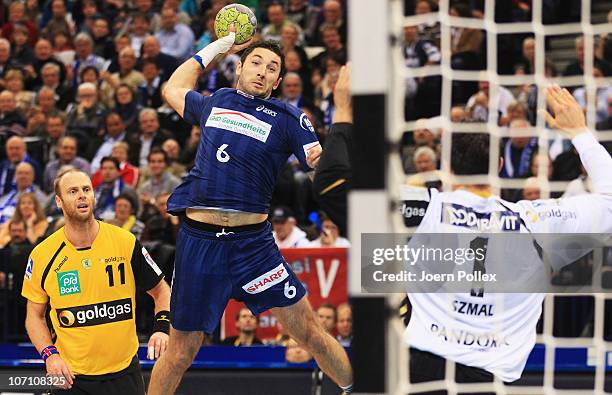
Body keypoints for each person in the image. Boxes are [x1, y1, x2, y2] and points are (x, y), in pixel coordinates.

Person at [147, 28, 353, 395]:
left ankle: (360, 389)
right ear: (239, 68)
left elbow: (320, 164)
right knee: (181, 351)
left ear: (277, 81)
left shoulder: (288, 117)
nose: (262, 70)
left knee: (310, 333)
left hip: (253, 247)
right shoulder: (216, 101)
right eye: (255, 62)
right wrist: (218, 46)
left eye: (272, 67)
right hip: (199, 243)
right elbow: (172, 89)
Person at [400, 86, 612, 386]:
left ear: (446, 167)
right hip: (488, 376)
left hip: (420, 370)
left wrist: (343, 116)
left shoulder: (423, 208)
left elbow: (337, 184)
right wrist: (579, 131)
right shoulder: (534, 222)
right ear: (500, 167)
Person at [21, 168, 171, 395]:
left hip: (124, 375)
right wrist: (49, 355)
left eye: (86, 189)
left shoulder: (124, 241)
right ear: (59, 202)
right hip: (72, 378)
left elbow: (161, 291)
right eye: (73, 191)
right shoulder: (43, 255)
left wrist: (162, 328)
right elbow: (34, 315)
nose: (81, 195)